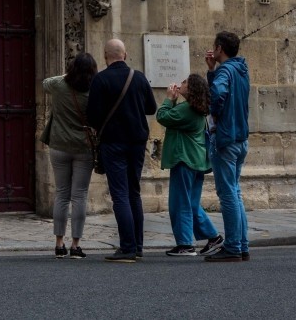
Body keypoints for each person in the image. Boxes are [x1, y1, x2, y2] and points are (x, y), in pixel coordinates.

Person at [86, 38, 157, 262]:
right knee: (134, 192)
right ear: (124, 55)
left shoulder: (101, 80)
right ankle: (137, 246)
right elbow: (151, 108)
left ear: (105, 55)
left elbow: (93, 117)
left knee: (120, 195)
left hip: (113, 142)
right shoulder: (139, 77)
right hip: (137, 142)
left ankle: (127, 247)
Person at [157, 73, 220, 257]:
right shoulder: (197, 109)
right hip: (196, 160)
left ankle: (185, 244)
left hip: (184, 159)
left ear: (191, 89)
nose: (181, 83)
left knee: (179, 203)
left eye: (184, 82)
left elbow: (163, 116)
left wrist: (169, 99)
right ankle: (213, 237)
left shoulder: (187, 109)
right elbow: (174, 118)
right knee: (191, 204)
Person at [43, 53, 98, 259]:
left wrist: (68, 74)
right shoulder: (94, 90)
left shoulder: (59, 85)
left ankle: (59, 243)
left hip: (59, 145)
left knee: (62, 194)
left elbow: (45, 82)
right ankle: (76, 244)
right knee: (79, 195)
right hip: (84, 147)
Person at [205, 30, 251, 262]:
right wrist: (212, 70)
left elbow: (219, 94)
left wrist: (214, 114)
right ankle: (241, 245)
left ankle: (232, 246)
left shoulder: (225, 70)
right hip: (241, 139)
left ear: (220, 49)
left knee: (228, 195)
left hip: (226, 138)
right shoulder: (241, 70)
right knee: (235, 192)